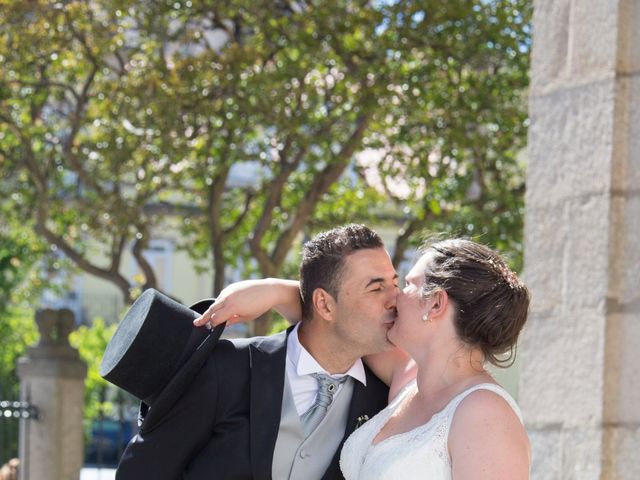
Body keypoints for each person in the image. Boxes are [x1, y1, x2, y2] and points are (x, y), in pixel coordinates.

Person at [197, 238, 531, 479]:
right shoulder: (408, 379)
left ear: (435, 304)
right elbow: (339, 318)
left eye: (408, 284)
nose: (395, 296)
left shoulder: (485, 414)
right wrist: (273, 290)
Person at [116, 224, 396, 479]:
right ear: (324, 305)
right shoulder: (225, 370)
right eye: (376, 288)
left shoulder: (383, 400)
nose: (394, 299)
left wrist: (273, 290)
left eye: (395, 284)